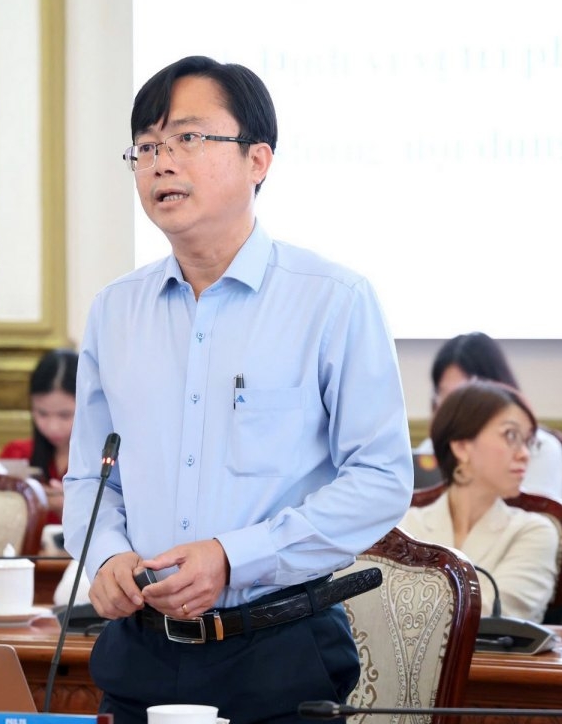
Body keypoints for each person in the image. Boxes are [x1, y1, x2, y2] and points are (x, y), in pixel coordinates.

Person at [62, 55, 413, 723]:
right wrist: (106, 557)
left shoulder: (333, 300)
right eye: (146, 147)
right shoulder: (116, 311)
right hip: (140, 655)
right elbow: (89, 475)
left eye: (188, 139)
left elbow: (381, 479)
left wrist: (234, 558)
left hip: (277, 652)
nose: (161, 162)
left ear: (258, 160)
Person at [401, 380, 559, 622]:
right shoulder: (405, 527)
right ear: (462, 446)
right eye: (511, 435)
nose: (524, 454)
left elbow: (500, 619)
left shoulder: (534, 531)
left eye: (527, 441)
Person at [414, 332, 562, 499]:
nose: (455, 408)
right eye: (445, 396)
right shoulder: (431, 449)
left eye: (466, 395)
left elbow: (541, 515)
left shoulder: (540, 449)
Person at [0, 349, 77, 523]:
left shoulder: (106, 463)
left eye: (65, 415)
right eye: (42, 413)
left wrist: (73, 510)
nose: (52, 427)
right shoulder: (16, 454)